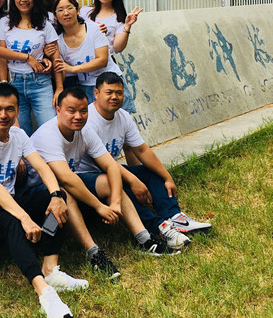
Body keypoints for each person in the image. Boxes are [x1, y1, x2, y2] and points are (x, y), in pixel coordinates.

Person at [0, 83, 86, 318]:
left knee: (56, 201)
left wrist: (56, 195)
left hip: (9, 206)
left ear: (18, 111)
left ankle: (50, 268)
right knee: (12, 222)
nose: (3, 115)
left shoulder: (18, 136)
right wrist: (24, 218)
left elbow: (42, 167)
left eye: (9, 109)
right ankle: (44, 292)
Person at [29, 88, 184, 257]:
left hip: (65, 187)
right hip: (38, 195)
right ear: (58, 110)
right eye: (71, 111)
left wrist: (115, 202)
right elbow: (66, 179)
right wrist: (99, 206)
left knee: (107, 181)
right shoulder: (49, 135)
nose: (78, 116)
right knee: (65, 193)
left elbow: (111, 165)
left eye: (83, 111)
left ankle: (145, 239)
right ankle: (93, 253)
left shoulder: (84, 130)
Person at [82, 72, 212, 239]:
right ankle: (157, 227)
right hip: (89, 177)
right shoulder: (88, 120)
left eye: (119, 93)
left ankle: (174, 217)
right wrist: (134, 181)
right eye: (109, 92)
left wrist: (167, 177)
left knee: (153, 172)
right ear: (96, 93)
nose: (114, 97)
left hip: (111, 171)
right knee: (120, 186)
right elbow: (104, 164)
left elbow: (142, 150)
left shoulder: (123, 116)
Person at [0, 0, 64, 136]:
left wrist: (59, 88)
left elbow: (56, 58)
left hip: (40, 83)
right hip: (14, 83)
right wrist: (4, 83)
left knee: (51, 129)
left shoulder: (45, 24)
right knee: (20, 133)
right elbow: (2, 56)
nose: (24, 0)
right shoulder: (4, 23)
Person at [80, 0, 143, 113]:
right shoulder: (85, 12)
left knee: (118, 114)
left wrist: (127, 26)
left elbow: (118, 47)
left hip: (107, 71)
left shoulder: (118, 17)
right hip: (85, 74)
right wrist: (92, 30)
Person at [52, 0, 122, 103]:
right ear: (55, 16)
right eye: (60, 10)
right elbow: (61, 69)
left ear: (77, 10)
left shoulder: (94, 29)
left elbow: (102, 60)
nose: (66, 13)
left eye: (70, 8)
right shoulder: (59, 42)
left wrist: (72, 69)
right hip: (86, 88)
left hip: (110, 83)